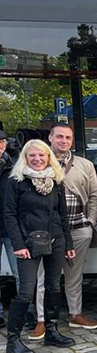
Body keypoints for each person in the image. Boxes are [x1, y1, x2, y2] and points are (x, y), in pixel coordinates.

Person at [4, 139, 76, 353]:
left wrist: (68, 243)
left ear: (48, 157)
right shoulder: (16, 181)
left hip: (56, 240)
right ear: (25, 157)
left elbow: (62, 214)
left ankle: (52, 331)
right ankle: (13, 341)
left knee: (54, 287)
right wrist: (18, 245)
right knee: (26, 290)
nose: (37, 159)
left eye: (41, 155)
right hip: (27, 242)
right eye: (32, 155)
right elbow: (9, 215)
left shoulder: (56, 181)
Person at [30, 123, 97, 337]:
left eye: (68, 137)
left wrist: (90, 223)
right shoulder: (39, 162)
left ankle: (75, 314)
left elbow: (94, 196)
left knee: (74, 274)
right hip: (47, 232)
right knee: (43, 277)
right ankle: (42, 320)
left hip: (79, 228)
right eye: (59, 136)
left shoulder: (85, 165)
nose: (63, 141)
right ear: (50, 138)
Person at [0, 130, 17, 330]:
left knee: (20, 274)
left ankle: (27, 311)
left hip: (11, 227)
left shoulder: (15, 167)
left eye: (1, 141)